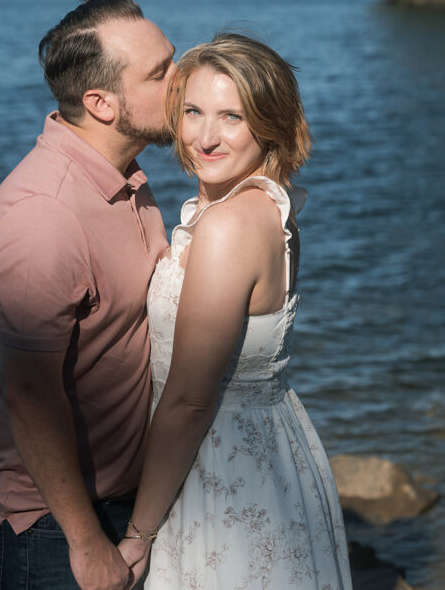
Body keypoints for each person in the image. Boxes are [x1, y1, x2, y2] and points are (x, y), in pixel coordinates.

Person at [0, 0, 176, 590]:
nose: (183, 81)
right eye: (161, 73)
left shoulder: (125, 177)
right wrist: (85, 544)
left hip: (118, 500)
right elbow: (29, 397)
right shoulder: (44, 218)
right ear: (101, 103)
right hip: (48, 524)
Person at [118, 33, 352, 590]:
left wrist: (139, 533)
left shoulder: (227, 226)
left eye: (232, 116)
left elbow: (191, 398)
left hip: (219, 467)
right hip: (269, 446)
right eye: (193, 112)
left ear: (268, 123)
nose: (205, 136)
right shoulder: (270, 204)